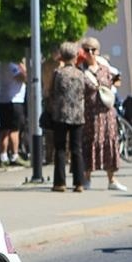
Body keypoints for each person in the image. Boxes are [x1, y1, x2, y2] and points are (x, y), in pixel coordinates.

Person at [80, 37, 126, 191]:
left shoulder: (105, 67)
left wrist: (111, 86)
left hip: (107, 112)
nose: (90, 53)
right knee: (90, 143)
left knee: (109, 142)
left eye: (93, 50)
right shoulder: (81, 70)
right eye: (87, 50)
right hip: (89, 114)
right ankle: (87, 177)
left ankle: (112, 179)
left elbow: (117, 79)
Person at [46, 41, 89, 191]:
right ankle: (79, 183)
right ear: (75, 56)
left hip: (60, 114)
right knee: (76, 149)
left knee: (60, 148)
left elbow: (50, 92)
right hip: (78, 115)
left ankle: (60, 183)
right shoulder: (80, 73)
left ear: (62, 57)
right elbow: (89, 89)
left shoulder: (58, 73)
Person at [0, 58, 28, 166]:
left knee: (4, 129)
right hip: (15, 100)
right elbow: (23, 77)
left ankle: (3, 156)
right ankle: (15, 155)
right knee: (15, 129)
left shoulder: (0, 63)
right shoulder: (12, 64)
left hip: (2, 99)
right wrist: (24, 68)